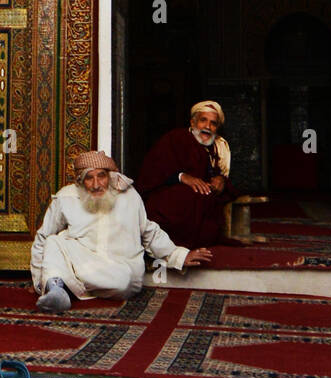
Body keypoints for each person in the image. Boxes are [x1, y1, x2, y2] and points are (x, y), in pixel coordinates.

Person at [30, 150, 211, 313]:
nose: (96, 184)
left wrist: (178, 255)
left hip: (120, 272)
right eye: (89, 178)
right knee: (53, 240)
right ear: (80, 181)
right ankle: (56, 290)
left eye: (101, 176)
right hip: (84, 260)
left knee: (122, 280)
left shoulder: (129, 195)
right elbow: (43, 237)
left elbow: (148, 232)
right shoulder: (66, 196)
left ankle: (66, 284)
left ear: (110, 176)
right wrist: (40, 280)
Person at [134, 100, 235, 249]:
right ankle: (167, 249)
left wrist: (221, 181)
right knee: (183, 198)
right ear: (193, 122)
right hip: (169, 194)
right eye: (203, 120)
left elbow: (221, 177)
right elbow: (151, 172)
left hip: (203, 201)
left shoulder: (219, 147)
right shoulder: (175, 138)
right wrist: (181, 177)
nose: (208, 127)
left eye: (213, 123)